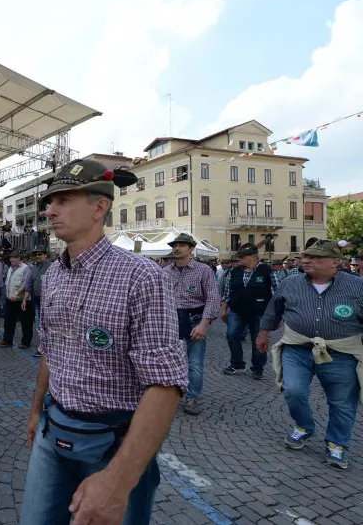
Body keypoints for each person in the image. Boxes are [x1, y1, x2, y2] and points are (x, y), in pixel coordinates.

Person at [21, 159, 188, 525]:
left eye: (63, 200)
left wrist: (117, 482)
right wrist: (36, 411)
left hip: (115, 442)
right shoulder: (52, 277)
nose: (50, 211)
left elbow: (165, 384)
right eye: (50, 202)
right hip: (55, 428)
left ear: (100, 207)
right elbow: (51, 349)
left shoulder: (141, 276)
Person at [257, 240, 363, 470]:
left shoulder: (357, 286)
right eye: (306, 257)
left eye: (315, 258)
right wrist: (263, 332)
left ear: (336, 262)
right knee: (293, 390)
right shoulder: (291, 282)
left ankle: (337, 444)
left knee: (342, 403)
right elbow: (273, 309)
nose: (307, 261)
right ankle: (304, 426)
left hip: (341, 353)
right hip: (297, 349)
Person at [163, 233, 221, 416]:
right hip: (171, 321)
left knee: (194, 363)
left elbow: (212, 298)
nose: (177, 248)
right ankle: (169, 396)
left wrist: (204, 324)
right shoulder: (165, 271)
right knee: (170, 361)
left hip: (195, 320)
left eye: (181, 245)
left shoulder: (203, 270)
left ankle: (192, 397)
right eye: (175, 245)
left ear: (191, 249)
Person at [221, 243, 280, 379]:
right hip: (237, 311)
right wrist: (224, 309)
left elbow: (277, 296)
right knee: (231, 334)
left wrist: (278, 315)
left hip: (260, 313)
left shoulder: (268, 271)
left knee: (258, 340)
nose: (238, 259)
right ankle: (237, 364)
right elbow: (227, 293)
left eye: (242, 257)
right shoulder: (234, 272)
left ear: (253, 257)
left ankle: (258, 368)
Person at [0, 250, 33, 350]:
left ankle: (25, 342)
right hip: (10, 300)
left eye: (13, 259)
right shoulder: (10, 268)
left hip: (22, 300)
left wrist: (17, 293)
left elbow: (26, 284)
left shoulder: (25, 268)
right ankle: (7, 340)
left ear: (19, 259)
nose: (11, 261)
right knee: (8, 321)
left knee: (26, 323)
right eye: (10, 259)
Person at [30, 245, 52, 338]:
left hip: (48, 302)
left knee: (47, 324)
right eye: (35, 254)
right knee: (39, 323)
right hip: (36, 299)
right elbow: (31, 282)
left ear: (45, 255)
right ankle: (42, 345)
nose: (37, 256)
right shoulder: (33, 267)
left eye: (40, 254)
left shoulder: (51, 267)